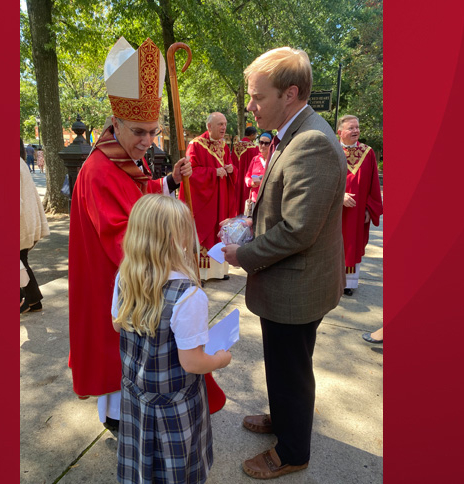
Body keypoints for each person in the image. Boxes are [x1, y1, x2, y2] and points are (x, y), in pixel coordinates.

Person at [68, 37, 226, 432]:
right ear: (115, 123)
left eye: (154, 132)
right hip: (117, 285)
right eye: (139, 131)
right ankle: (122, 423)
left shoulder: (121, 159)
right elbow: (123, 237)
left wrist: (169, 182)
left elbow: (139, 196)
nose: (147, 142)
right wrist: (176, 265)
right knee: (118, 362)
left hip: (133, 287)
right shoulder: (99, 170)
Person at [222, 46, 347, 480]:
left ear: (290, 94)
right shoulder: (294, 131)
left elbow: (297, 231)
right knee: (282, 361)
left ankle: (293, 451)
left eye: (257, 97)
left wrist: (244, 254)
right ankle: (284, 416)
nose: (250, 107)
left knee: (291, 366)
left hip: (298, 284)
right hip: (291, 278)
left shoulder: (311, 142)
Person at [112, 194, 232, 484]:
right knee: (176, 468)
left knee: (143, 462)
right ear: (178, 239)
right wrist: (220, 358)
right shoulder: (189, 296)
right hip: (175, 406)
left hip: (136, 396)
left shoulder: (124, 277)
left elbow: (118, 326)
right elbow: (192, 362)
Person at [179, 112, 237, 281]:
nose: (224, 127)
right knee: (203, 231)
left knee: (219, 231)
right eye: (220, 124)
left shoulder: (223, 145)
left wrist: (231, 169)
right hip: (203, 201)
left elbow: (229, 165)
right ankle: (200, 274)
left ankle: (219, 271)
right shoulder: (195, 145)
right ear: (209, 126)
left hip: (221, 198)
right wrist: (213, 173)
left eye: (225, 124)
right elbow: (190, 173)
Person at [337, 115, 383, 296]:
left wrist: (369, 209)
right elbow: (322, 179)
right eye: (351, 128)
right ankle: (333, 282)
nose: (356, 131)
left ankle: (348, 284)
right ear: (340, 132)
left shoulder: (368, 152)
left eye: (357, 127)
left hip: (357, 213)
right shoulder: (331, 150)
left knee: (352, 244)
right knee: (334, 244)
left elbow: (373, 184)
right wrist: (339, 195)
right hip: (334, 210)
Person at [20, 137, 49, 314]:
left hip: (21, 222)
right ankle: (33, 299)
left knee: (20, 262)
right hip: (26, 220)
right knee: (21, 260)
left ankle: (26, 299)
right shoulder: (21, 162)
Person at [243, 131, 272, 216]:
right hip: (254, 199)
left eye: (266, 143)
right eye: (261, 142)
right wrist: (250, 182)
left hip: (268, 199)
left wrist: (262, 181)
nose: (263, 145)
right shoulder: (255, 159)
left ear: (271, 144)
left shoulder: (273, 160)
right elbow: (247, 176)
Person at [233, 126, 260, 214]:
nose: (255, 137)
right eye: (255, 135)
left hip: (235, 175)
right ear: (252, 135)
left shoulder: (235, 145)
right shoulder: (253, 147)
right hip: (246, 176)